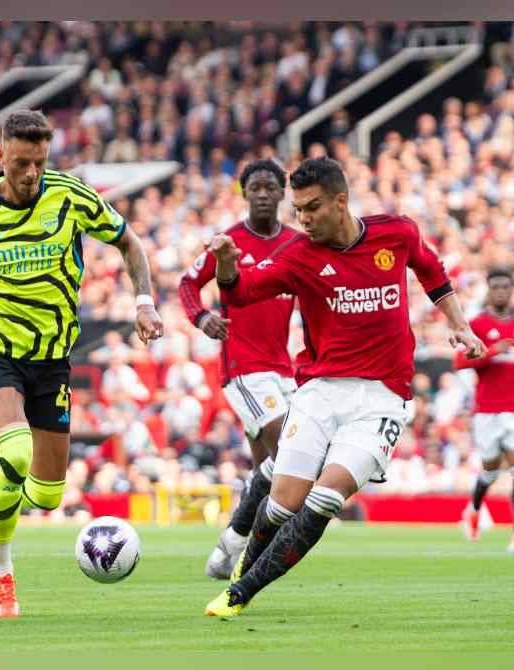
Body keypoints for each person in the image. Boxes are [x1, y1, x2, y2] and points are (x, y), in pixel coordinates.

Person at [203, 157, 485, 618]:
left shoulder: (397, 234)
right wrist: (227, 267)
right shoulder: (299, 255)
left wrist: (460, 325)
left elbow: (432, 272)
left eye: (312, 207)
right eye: (298, 210)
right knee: (281, 504)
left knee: (326, 498)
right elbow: (244, 293)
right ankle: (243, 570)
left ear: (340, 201)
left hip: (381, 399)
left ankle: (240, 593)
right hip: (319, 392)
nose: (304, 219)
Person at [0, 109, 163, 618]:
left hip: (53, 358)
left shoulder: (71, 196)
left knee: (47, 495)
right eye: (21, 162)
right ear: (0, 154)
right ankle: (0, 572)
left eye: (39, 163)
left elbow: (128, 242)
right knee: (18, 454)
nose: (30, 174)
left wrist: (143, 301)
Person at [179, 159, 298, 579]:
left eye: (270, 187)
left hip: (286, 368)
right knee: (292, 450)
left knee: (272, 468)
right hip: (243, 367)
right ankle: (241, 550)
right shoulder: (227, 242)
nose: (263, 194)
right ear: (244, 193)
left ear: (283, 194)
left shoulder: (297, 244)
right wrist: (202, 318)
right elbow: (188, 284)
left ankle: (231, 548)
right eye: (255, 187)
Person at [456, 268, 514, 550]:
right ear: (489, 291)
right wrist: (492, 351)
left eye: (506, 286)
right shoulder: (477, 325)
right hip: (486, 411)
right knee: (490, 471)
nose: (501, 291)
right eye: (496, 286)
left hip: (513, 410)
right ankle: (475, 509)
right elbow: (459, 362)